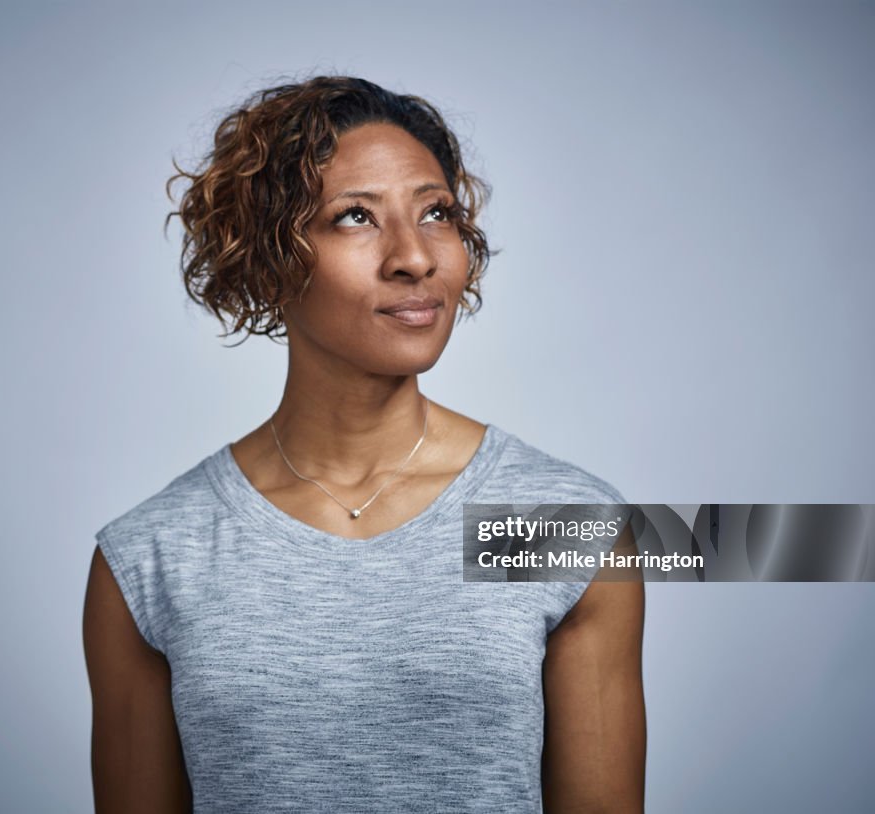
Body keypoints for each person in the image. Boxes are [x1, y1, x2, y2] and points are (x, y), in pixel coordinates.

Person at [82, 75, 646, 813]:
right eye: (355, 217)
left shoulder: (567, 526)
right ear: (267, 258)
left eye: (436, 213)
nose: (415, 257)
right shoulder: (152, 558)